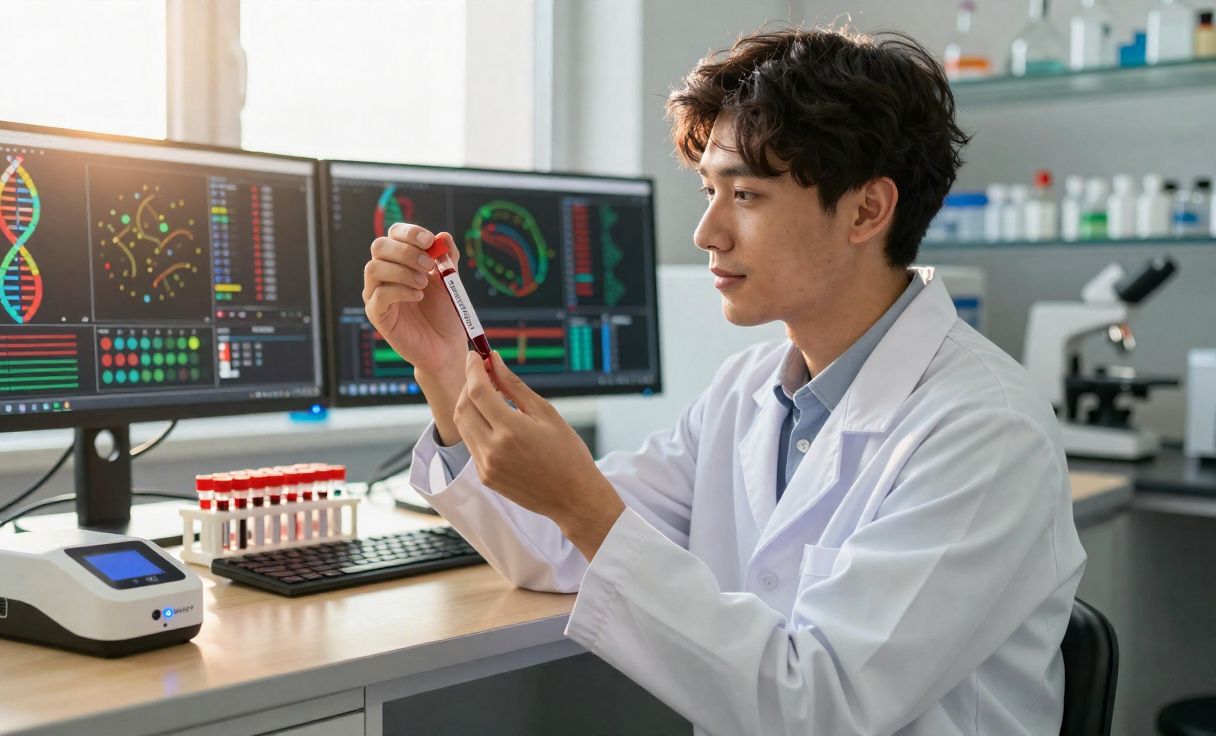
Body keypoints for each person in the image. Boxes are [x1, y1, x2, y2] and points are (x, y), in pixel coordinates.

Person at [361, 25, 1085, 736]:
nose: (707, 231)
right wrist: (447, 369)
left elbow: (816, 707)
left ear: (867, 210)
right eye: (710, 188)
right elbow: (550, 552)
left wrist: (583, 504)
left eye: (745, 195)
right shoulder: (748, 393)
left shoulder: (985, 430)